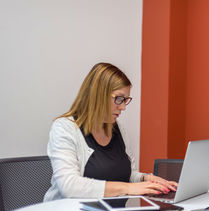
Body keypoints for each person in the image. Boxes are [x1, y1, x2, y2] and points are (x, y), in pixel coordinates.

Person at [44, 63, 177, 201]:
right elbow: (69, 186)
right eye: (119, 99)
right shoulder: (64, 128)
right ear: (98, 95)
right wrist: (128, 188)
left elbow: (126, 174)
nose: (123, 107)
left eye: (126, 100)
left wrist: (147, 179)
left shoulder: (118, 128)